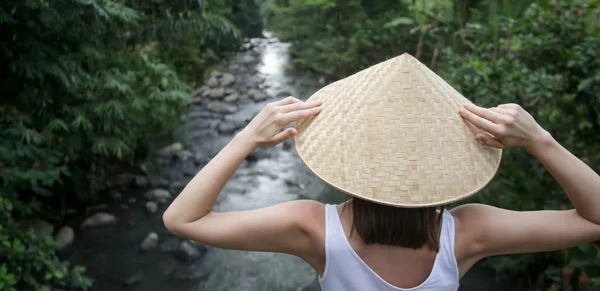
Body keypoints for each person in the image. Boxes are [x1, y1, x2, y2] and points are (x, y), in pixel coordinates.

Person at [163, 62, 600, 290]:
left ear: (347, 161)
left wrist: (246, 138)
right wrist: (541, 139)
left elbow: (184, 219)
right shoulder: (467, 234)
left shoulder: (313, 228)